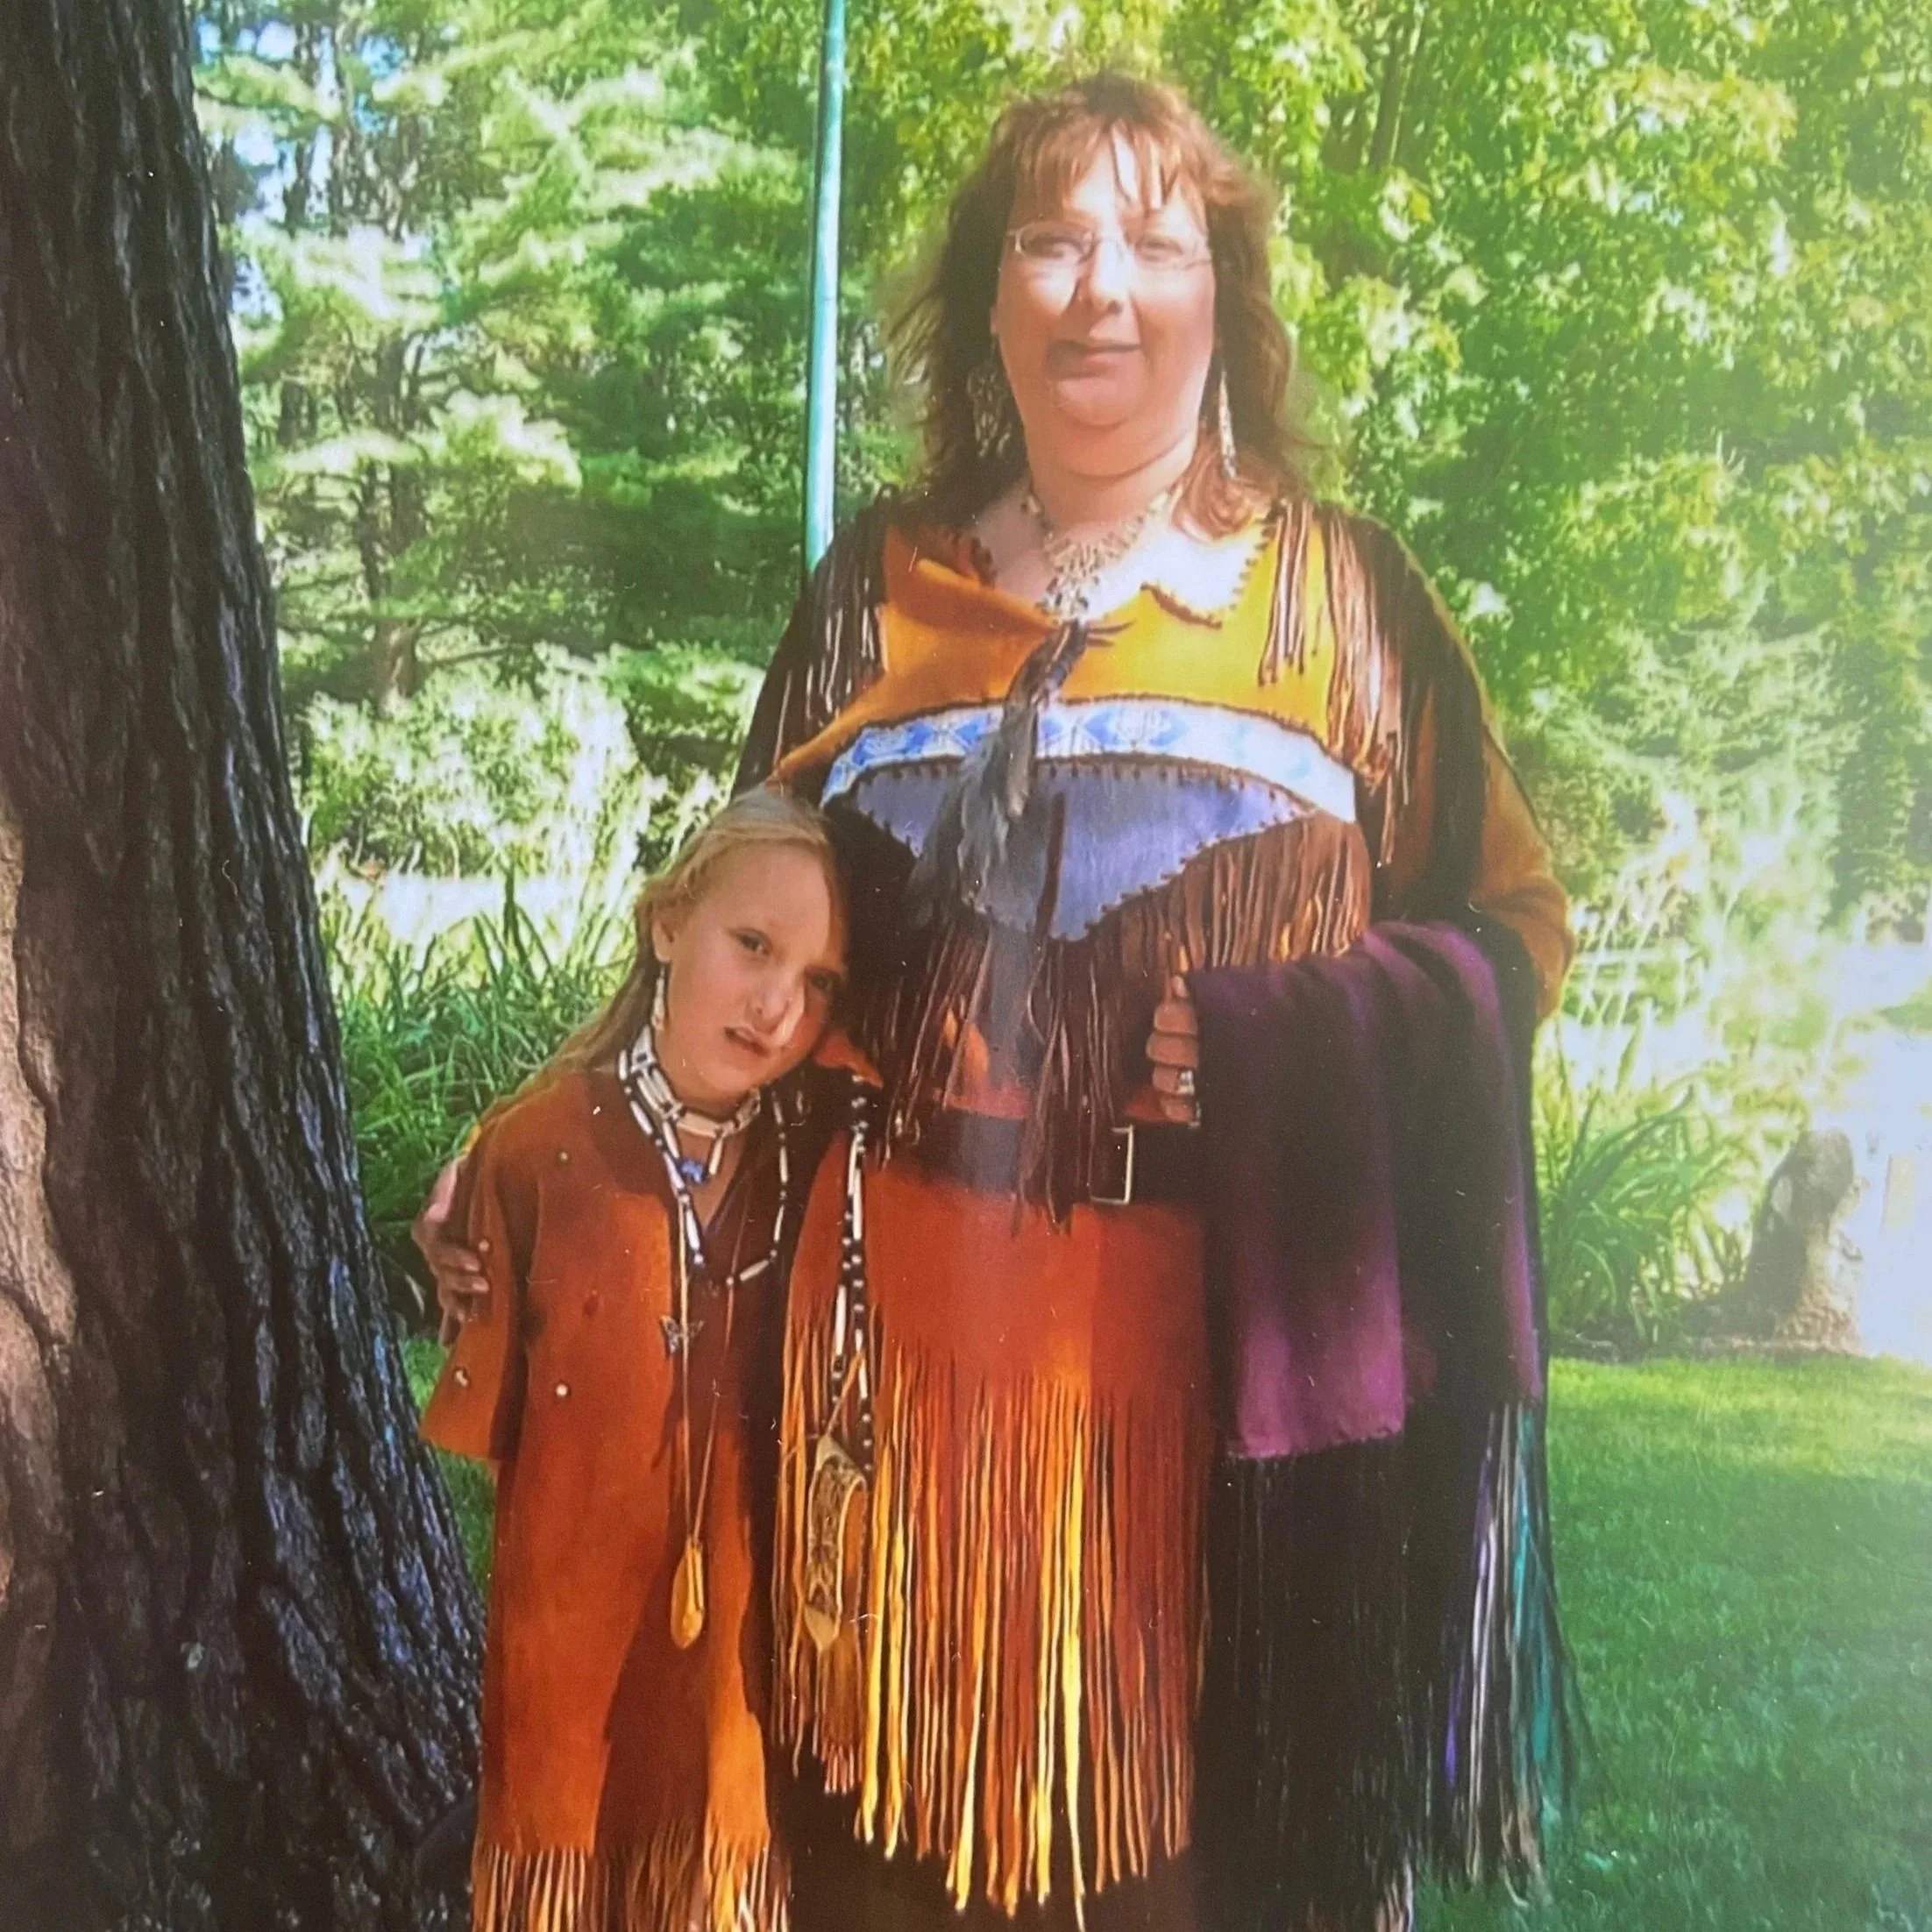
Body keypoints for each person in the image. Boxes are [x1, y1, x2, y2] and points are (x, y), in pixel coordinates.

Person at [422, 70, 1574, 1932]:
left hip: (1218, 1442)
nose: (1099, 286)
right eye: (1048, 240)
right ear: (987, 300)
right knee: (870, 1872)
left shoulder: (1347, 608)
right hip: (877, 1416)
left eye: (1154, 242)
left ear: (1224, 295)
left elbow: (1512, 935)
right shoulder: (873, 597)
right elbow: (731, 925)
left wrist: (1300, 1033)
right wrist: (538, 1144)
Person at [416, 790, 849, 1932]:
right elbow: (498, 1419)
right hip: (573, 1645)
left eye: (817, 982)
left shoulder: (816, 1169)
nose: (776, 1006)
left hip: (738, 1658)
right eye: (752, 944)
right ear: (667, 923)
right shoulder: (538, 1148)